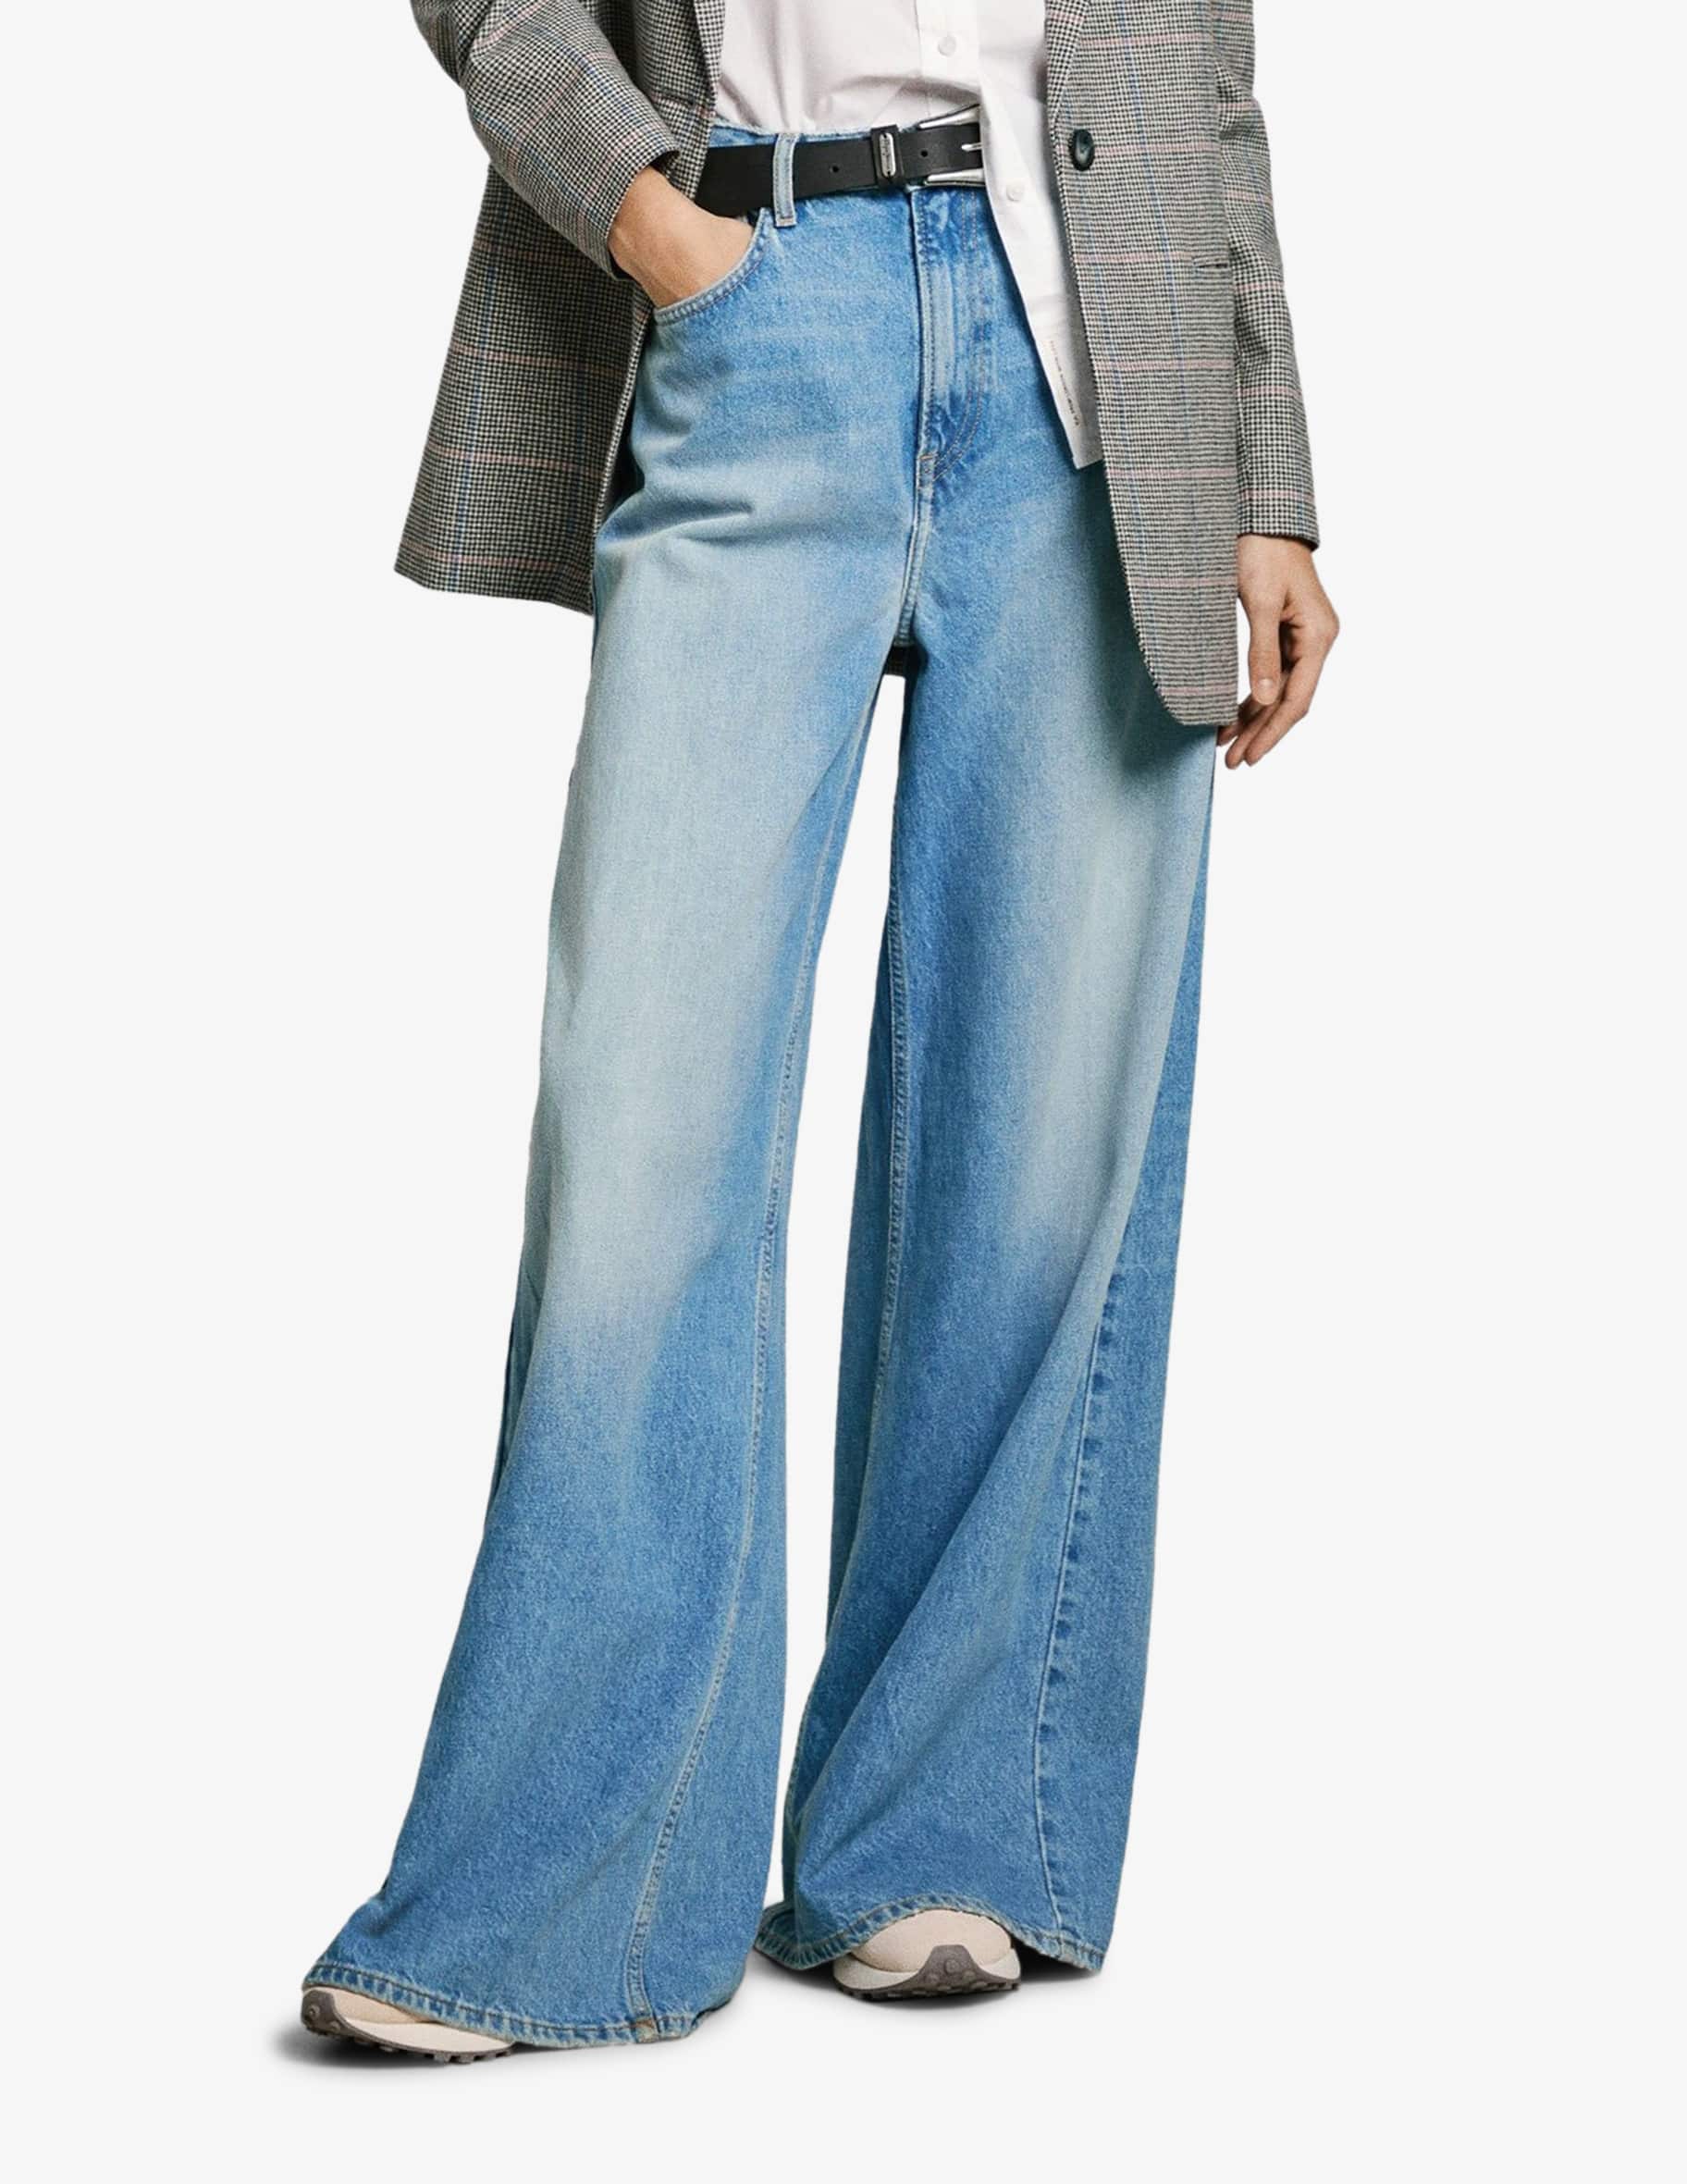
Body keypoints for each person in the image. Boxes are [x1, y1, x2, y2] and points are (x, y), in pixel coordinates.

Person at [301, 0, 1337, 2061]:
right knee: (644, 1135)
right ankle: (557, 1896)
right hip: (761, 295)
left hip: (1095, 360)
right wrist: (644, 211)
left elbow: (1197, 65)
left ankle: (944, 1835)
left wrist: (1269, 472)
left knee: (1037, 1146)